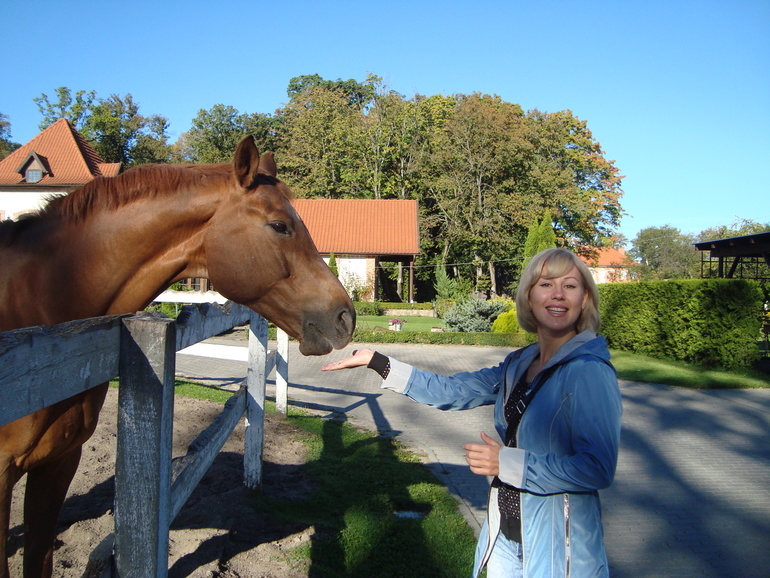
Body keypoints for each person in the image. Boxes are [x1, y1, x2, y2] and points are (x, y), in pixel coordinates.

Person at [321, 248, 622, 577]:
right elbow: (453, 391)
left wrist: (505, 463)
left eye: (570, 285)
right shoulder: (519, 364)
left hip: (557, 549)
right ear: (529, 296)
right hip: (505, 538)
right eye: (546, 284)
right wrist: (378, 361)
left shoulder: (589, 371)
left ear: (585, 299)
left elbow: (596, 468)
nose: (558, 295)